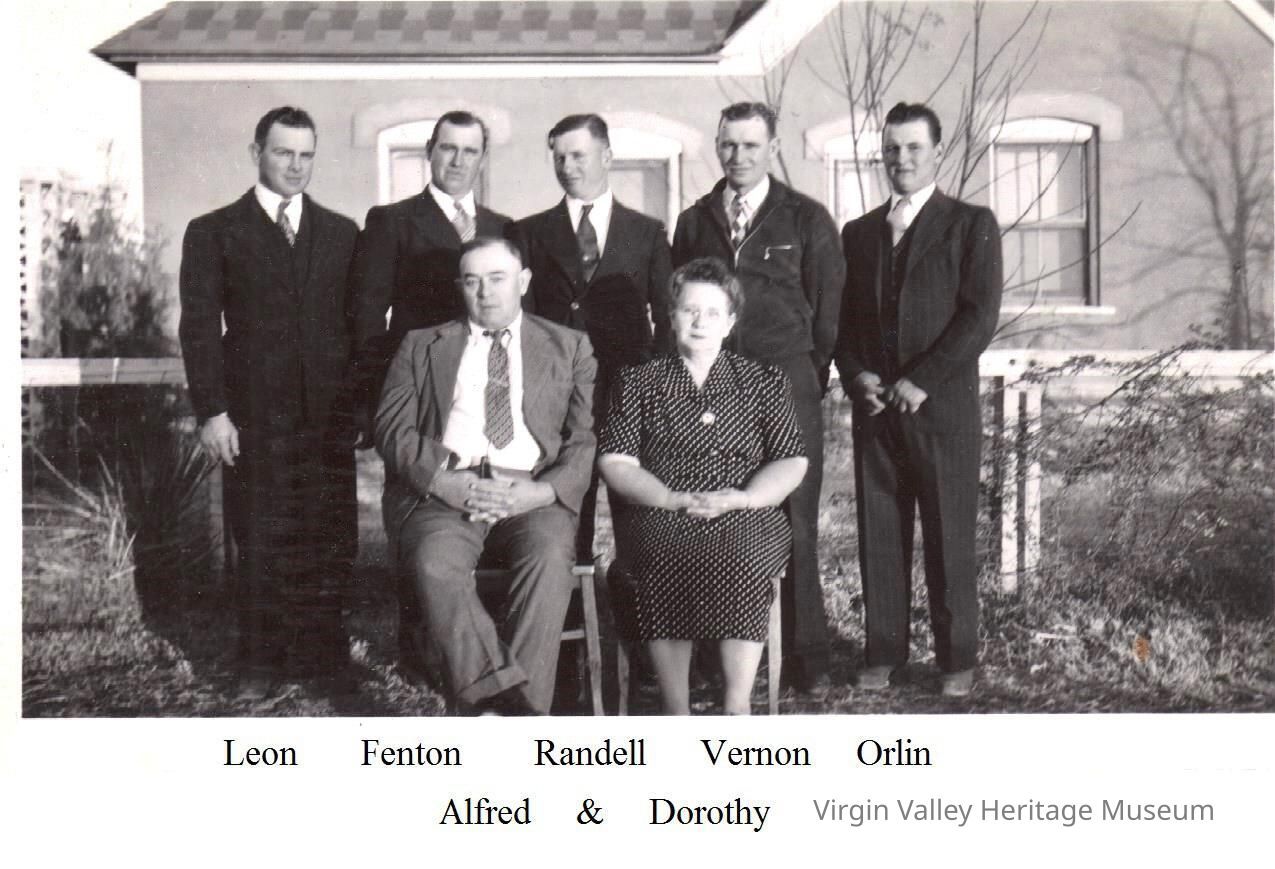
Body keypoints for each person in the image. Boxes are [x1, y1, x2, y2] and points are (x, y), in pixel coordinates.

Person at [179, 106, 360, 699]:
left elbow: (357, 328)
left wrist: (357, 408)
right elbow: (199, 326)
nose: (296, 166)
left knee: (330, 537)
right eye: (284, 153)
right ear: (256, 152)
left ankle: (326, 660)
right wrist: (212, 412)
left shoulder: (341, 232)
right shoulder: (215, 231)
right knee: (258, 536)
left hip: (327, 420)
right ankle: (259, 662)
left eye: (306, 155)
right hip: (253, 419)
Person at [375, 237, 597, 715]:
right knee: (434, 561)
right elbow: (392, 430)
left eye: (498, 279)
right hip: (448, 489)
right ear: (460, 286)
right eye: (472, 281)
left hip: (530, 491)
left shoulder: (568, 345)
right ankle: (510, 706)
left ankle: (502, 713)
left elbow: (584, 439)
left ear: (524, 281)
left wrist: (542, 492)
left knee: (548, 559)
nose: (485, 292)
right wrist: (442, 481)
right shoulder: (422, 344)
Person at [671, 102, 844, 692]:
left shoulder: (806, 218)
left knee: (794, 517)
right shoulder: (695, 220)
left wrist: (802, 375)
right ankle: (713, 660)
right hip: (714, 386)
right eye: (729, 145)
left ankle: (806, 658)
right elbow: (683, 306)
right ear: (717, 146)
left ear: (773, 148)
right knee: (712, 514)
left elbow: (827, 314)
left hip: (787, 383)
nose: (738, 156)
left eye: (751, 145)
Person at [833, 102, 1003, 697]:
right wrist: (856, 375)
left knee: (948, 535)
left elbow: (979, 317)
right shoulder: (858, 234)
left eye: (913, 148)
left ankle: (956, 661)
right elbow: (844, 324)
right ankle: (884, 653)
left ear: (937, 151)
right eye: (891, 148)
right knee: (880, 534)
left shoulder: (970, 224)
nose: (901, 159)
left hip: (943, 411)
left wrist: (924, 378)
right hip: (877, 413)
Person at [598, 257, 808, 714]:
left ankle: (736, 705)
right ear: (670, 317)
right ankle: (676, 709)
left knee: (742, 554)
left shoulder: (764, 382)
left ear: (730, 322)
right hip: (662, 507)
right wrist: (669, 498)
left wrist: (745, 498)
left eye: (713, 312)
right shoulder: (637, 381)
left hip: (746, 510)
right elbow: (616, 463)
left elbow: (791, 460)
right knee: (662, 555)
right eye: (689, 310)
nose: (700, 321)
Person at [349, 110, 512, 672]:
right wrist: (373, 402)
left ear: (483, 158)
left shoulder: (502, 227)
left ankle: (479, 639)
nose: (458, 160)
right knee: (420, 512)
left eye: (470, 150)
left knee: (484, 510)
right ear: (430, 151)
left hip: (487, 389)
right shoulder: (392, 221)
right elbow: (368, 317)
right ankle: (420, 652)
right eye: (448, 148)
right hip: (419, 394)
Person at [509, 113, 672, 564]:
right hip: (558, 397)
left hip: (627, 393)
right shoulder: (529, 233)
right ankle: (570, 605)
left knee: (634, 512)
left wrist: (653, 385)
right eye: (559, 158)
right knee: (564, 510)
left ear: (607, 157)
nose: (567, 167)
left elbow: (667, 318)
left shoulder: (646, 232)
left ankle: (632, 603)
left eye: (578, 156)